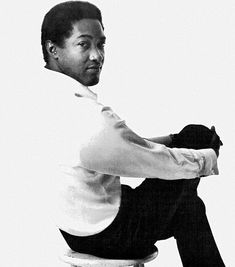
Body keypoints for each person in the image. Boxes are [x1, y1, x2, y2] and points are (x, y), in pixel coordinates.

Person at [40, 1, 225, 266]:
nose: (97, 55)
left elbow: (125, 148)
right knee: (197, 138)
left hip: (77, 228)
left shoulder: (44, 97)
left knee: (189, 208)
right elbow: (147, 160)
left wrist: (173, 140)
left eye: (101, 44)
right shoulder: (86, 116)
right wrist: (205, 157)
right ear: (53, 49)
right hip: (110, 234)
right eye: (84, 44)